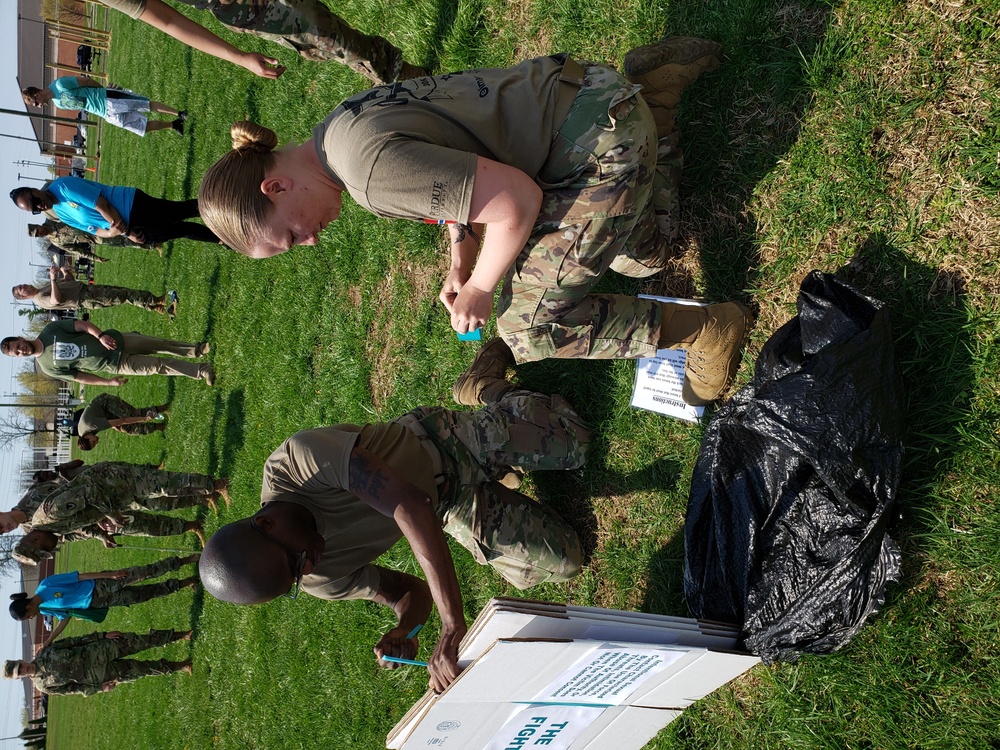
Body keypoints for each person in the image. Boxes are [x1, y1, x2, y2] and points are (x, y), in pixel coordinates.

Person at [197, 37, 754, 405]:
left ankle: (710, 330)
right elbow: (458, 166)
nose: (311, 240)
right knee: (644, 256)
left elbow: (514, 203)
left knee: (526, 325)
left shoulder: (366, 175)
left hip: (600, 147)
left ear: (275, 187)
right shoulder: (336, 131)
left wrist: (484, 288)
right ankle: (654, 93)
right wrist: (461, 257)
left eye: (291, 235)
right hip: (584, 94)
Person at [199, 353, 588, 693]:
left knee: (576, 440)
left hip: (441, 445)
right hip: (447, 507)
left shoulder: (299, 463)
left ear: (266, 524)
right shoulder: (314, 578)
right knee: (567, 560)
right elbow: (408, 593)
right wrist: (404, 630)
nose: (310, 567)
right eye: (296, 580)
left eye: (296, 560)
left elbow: (410, 506)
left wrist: (452, 624)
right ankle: (502, 470)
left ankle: (485, 387)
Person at [95, 0, 425, 84]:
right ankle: (408, 80)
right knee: (330, 37)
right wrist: (239, 57)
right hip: (246, 7)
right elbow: (166, 20)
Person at [9, 555, 200, 650]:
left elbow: (79, 577)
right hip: (100, 602)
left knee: (145, 572)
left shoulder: (46, 585)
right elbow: (65, 617)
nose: (31, 618)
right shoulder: (45, 609)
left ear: (27, 607)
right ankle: (186, 582)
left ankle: (186, 560)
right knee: (144, 594)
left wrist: (110, 574)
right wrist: (49, 640)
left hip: (101, 585)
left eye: (27, 616)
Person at [26, 461, 230, 547]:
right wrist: (101, 529)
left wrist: (109, 514)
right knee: (160, 502)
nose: (50, 550)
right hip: (118, 497)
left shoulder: (50, 513)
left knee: (165, 485)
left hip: (113, 480)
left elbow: (89, 491)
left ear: (35, 539)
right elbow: (81, 520)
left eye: (44, 549)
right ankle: (207, 493)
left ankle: (218, 485)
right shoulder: (51, 528)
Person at [1, 318, 216, 386]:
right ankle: (202, 371)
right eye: (16, 354)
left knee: (158, 344)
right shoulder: (47, 368)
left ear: (19, 339)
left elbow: (82, 325)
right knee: (158, 366)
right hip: (113, 364)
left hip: (115, 341)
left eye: (16, 346)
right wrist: (108, 382)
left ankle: (195, 350)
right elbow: (80, 377)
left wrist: (101, 336)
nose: (20, 351)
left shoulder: (49, 331)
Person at [11, 177, 219, 246]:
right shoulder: (60, 213)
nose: (39, 206)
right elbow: (93, 229)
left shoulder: (63, 186)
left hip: (132, 206)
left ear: (34, 189)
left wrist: (126, 233)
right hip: (126, 227)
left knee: (179, 212)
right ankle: (223, 238)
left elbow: (103, 205)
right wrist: (111, 234)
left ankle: (223, 204)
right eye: (34, 210)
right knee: (179, 230)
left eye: (34, 201)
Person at [3, 629, 192, 696]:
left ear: (21, 660)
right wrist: (100, 688)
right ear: (20, 677)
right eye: (20, 673)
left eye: (21, 666)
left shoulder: (45, 651)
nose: (24, 669)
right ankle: (181, 666)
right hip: (101, 675)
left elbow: (76, 641)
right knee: (143, 669)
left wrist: (102, 635)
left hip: (103, 649)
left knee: (144, 641)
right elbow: (73, 690)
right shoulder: (43, 686)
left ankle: (181, 635)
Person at [22, 76, 185, 137]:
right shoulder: (58, 103)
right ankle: (174, 125)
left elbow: (86, 81)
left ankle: (179, 113)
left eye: (35, 103)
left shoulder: (60, 84)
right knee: (143, 128)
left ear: (36, 95)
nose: (38, 106)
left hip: (108, 99)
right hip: (107, 115)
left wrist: (105, 90)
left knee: (145, 105)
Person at [12, 265, 176, 316]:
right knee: (124, 295)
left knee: (122, 294)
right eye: (22, 290)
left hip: (86, 290)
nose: (24, 287)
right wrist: (53, 280)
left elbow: (69, 282)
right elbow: (56, 300)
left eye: (22, 285)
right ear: (24, 297)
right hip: (85, 298)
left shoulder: (42, 288)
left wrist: (64, 272)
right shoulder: (40, 298)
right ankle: (157, 301)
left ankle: (156, 308)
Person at [74, 394, 170, 451]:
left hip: (105, 402)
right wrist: (114, 426)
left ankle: (163, 409)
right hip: (104, 414)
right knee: (126, 429)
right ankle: (159, 426)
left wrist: (145, 419)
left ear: (86, 437)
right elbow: (98, 417)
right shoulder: (83, 435)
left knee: (131, 414)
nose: (97, 441)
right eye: (95, 444)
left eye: (94, 442)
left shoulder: (90, 425)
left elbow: (123, 420)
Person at [29, 220, 159, 255]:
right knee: (124, 241)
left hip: (95, 223)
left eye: (37, 231)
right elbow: (76, 250)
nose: (40, 234)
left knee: (124, 226)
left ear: (37, 225)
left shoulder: (53, 219)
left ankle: (152, 229)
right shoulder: (55, 241)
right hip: (97, 238)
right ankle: (152, 245)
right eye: (37, 236)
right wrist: (94, 258)